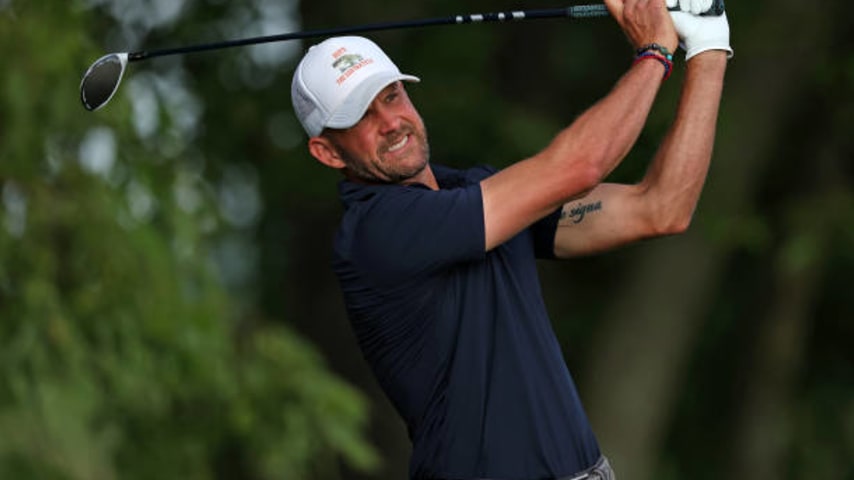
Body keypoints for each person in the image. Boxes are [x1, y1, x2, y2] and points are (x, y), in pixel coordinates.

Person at [290, 0, 731, 478]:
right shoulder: (378, 232)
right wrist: (655, 52)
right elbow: (579, 167)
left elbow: (660, 208)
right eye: (361, 116)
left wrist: (707, 47)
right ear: (328, 152)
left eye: (392, 96)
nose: (391, 122)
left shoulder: (471, 193)